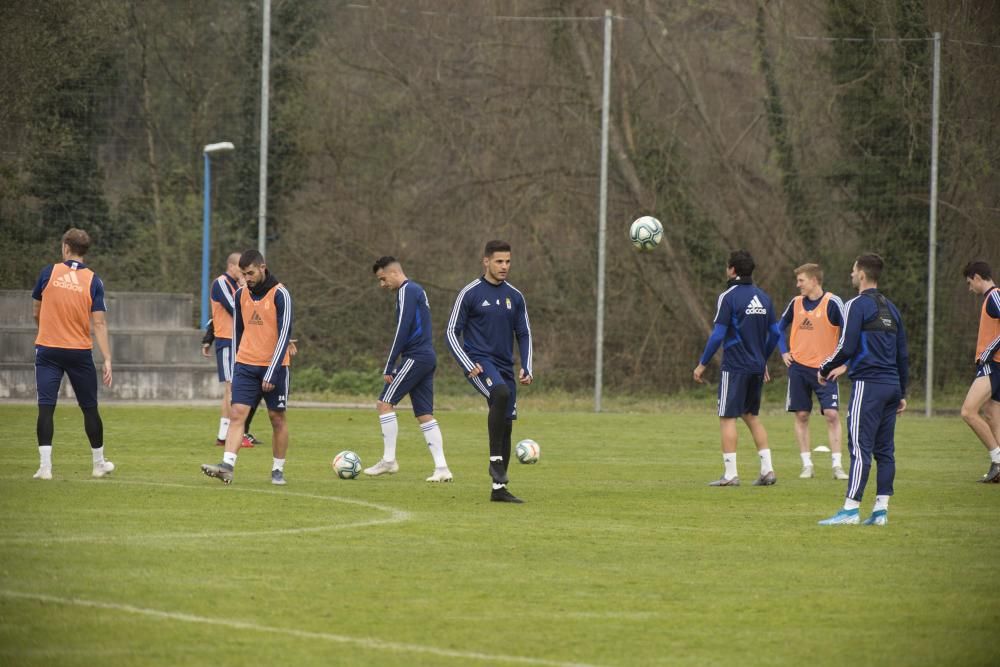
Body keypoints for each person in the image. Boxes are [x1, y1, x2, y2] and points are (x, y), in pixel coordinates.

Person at [817, 253, 908, 526]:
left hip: (868, 385)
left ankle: (850, 509)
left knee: (859, 448)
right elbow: (902, 355)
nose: (851, 274)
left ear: (863, 275)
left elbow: (847, 346)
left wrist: (823, 369)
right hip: (891, 386)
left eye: (853, 270)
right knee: (885, 451)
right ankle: (880, 511)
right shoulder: (893, 309)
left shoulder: (854, 305)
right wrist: (902, 392)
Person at [445, 240, 533, 503]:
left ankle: (499, 489)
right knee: (501, 393)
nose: (504, 266)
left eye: (507, 261)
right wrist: (467, 362)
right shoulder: (470, 293)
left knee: (506, 424)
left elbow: (524, 333)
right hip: (480, 363)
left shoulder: (515, 296)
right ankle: (495, 462)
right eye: (499, 261)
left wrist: (527, 366)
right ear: (486, 261)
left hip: (506, 365)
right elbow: (451, 332)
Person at [201, 250, 293, 486]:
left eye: (250, 273)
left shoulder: (280, 294)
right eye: (243, 274)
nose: (247, 278)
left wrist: (272, 371)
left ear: (263, 268)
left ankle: (277, 470)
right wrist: (237, 365)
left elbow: (285, 335)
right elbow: (237, 333)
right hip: (246, 366)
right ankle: (227, 466)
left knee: (277, 418)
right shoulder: (241, 294)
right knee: (237, 414)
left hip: (275, 367)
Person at [30, 228, 115, 480]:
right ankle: (98, 464)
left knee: (46, 408)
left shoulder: (48, 272)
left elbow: (36, 310)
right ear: (84, 251)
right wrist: (107, 358)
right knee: (89, 408)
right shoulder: (93, 280)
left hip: (47, 349)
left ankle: (45, 468)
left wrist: (47, 331)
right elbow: (99, 323)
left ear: (66, 247)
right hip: (79, 352)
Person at [693, 249, 781, 487]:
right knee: (752, 416)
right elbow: (775, 333)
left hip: (734, 366)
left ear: (732, 270)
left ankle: (730, 474)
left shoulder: (728, 297)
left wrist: (702, 363)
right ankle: (767, 470)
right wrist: (762, 359)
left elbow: (718, 335)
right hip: (755, 366)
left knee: (727, 417)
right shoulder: (764, 298)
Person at [364, 257, 453, 482]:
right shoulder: (416, 290)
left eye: (383, 279)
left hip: (416, 357)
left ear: (394, 272)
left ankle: (389, 460)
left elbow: (402, 330)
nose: (382, 284)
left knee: (384, 404)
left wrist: (390, 363)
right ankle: (442, 468)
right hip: (427, 356)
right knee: (424, 414)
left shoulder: (406, 291)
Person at [777, 263, 849, 480]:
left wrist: (844, 364)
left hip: (825, 370)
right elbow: (778, 328)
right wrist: (783, 351)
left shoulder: (834, 303)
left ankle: (837, 466)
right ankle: (807, 464)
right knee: (801, 415)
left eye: (801, 280)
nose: (797, 284)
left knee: (832, 414)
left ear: (814, 280)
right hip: (798, 368)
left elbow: (852, 334)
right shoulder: (796, 303)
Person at [201, 253, 258, 449]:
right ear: (232, 266)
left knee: (237, 387)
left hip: (239, 342)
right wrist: (210, 337)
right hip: (227, 340)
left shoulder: (235, 285)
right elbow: (236, 308)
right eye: (241, 269)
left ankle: (229, 434)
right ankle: (227, 435)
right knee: (232, 387)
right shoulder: (221, 283)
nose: (244, 273)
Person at [960, 261, 1000, 482]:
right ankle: (998, 469)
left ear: (977, 277)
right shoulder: (991, 299)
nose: (969, 288)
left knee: (968, 411)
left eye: (969, 283)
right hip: (994, 364)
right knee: (992, 415)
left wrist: (989, 351)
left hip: (993, 365)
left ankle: (998, 458)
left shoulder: (994, 296)